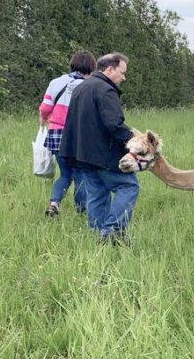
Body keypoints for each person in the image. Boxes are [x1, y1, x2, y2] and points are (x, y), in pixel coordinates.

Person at [59, 53, 138, 244]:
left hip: (82, 154)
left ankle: (97, 235)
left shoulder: (81, 87)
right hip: (104, 154)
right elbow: (114, 125)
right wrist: (135, 138)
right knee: (128, 186)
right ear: (109, 69)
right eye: (122, 72)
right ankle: (112, 231)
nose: (124, 77)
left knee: (97, 193)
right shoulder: (106, 90)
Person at [39, 49, 96, 218]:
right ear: (92, 67)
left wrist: (44, 118)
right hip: (78, 136)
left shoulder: (56, 82)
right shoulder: (90, 86)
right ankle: (82, 212)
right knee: (80, 174)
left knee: (65, 174)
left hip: (56, 134)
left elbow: (45, 107)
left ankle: (54, 202)